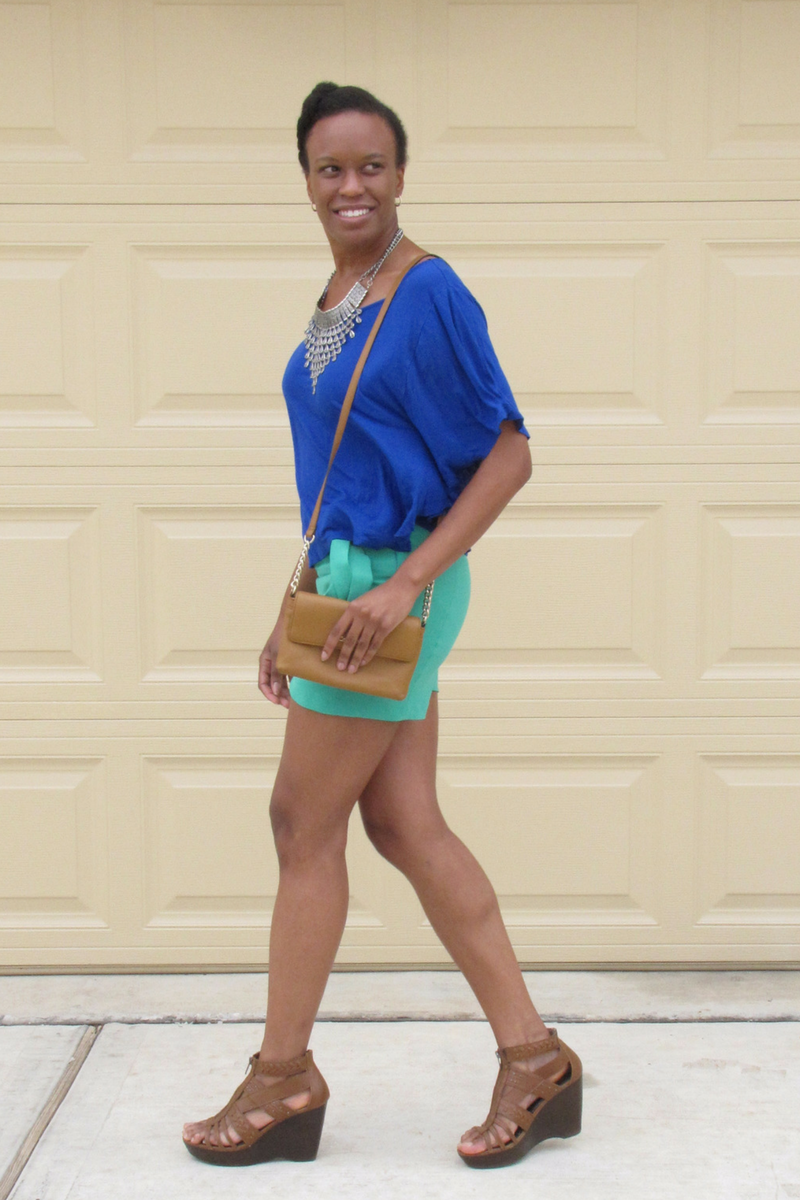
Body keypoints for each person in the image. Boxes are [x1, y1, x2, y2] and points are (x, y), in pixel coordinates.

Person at [182, 81, 582, 1170]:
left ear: (400, 175)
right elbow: (348, 464)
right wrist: (296, 595)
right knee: (402, 824)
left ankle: (281, 1080)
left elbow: (508, 451)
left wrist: (401, 585)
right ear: (304, 180)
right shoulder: (343, 288)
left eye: (369, 166)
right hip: (348, 586)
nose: (349, 185)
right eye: (328, 168)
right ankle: (533, 1058)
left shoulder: (428, 291)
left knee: (297, 823)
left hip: (391, 592)